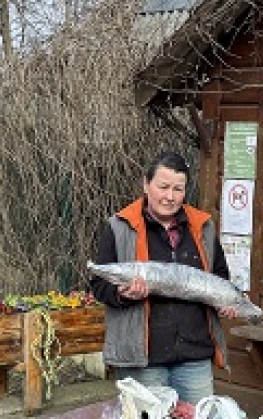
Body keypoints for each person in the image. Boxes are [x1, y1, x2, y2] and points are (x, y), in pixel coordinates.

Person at [90, 151, 235, 403]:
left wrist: (225, 301)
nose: (170, 197)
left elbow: (219, 276)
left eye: (178, 189)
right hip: (143, 358)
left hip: (195, 356)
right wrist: (122, 294)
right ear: (146, 185)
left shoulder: (203, 226)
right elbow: (99, 284)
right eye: (163, 187)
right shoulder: (120, 226)